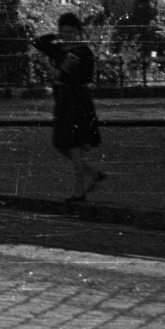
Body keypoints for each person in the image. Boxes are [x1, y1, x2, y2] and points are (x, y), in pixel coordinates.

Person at [33, 12, 107, 202]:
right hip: (64, 99)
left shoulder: (80, 52)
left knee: (73, 146)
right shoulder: (63, 49)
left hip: (76, 99)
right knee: (60, 143)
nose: (66, 34)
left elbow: (60, 75)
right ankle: (93, 174)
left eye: (70, 31)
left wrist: (45, 66)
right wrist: (56, 37)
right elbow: (38, 42)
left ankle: (79, 191)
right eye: (63, 30)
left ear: (78, 32)